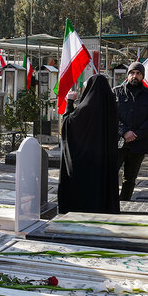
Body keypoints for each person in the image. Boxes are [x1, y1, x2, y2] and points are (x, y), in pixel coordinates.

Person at [59, 74, 120, 213]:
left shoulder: (86, 107)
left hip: (86, 161)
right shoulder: (111, 106)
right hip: (104, 159)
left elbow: (68, 123)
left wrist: (70, 102)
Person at [114, 61, 148, 201]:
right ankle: (111, 202)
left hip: (139, 143)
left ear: (142, 76)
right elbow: (110, 115)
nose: (135, 76)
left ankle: (124, 202)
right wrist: (124, 131)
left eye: (138, 73)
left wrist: (137, 134)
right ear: (127, 75)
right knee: (110, 173)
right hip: (118, 142)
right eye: (132, 73)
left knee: (130, 178)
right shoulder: (116, 92)